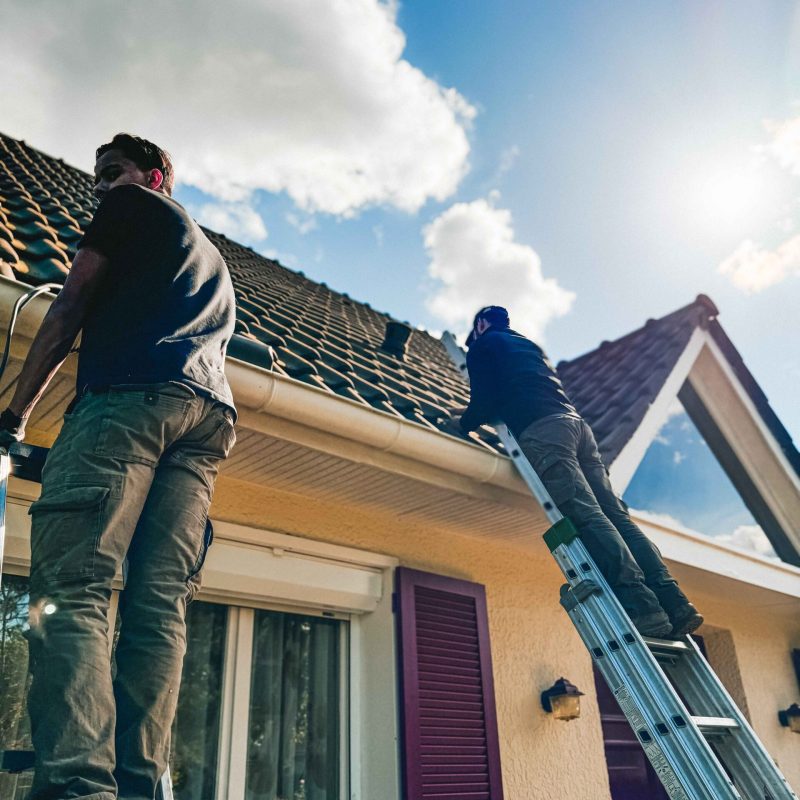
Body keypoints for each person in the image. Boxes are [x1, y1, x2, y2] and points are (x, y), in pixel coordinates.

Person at [0, 133, 237, 799]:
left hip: (130, 399)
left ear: (154, 176)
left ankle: (78, 787)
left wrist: (14, 418)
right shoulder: (208, 256)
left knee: (75, 589)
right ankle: (136, 786)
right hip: (207, 418)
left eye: (114, 171)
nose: (100, 185)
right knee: (158, 608)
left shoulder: (131, 206)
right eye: (98, 176)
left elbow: (68, 306)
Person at [451, 305, 703, 639]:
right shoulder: (526, 345)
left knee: (587, 517)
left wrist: (461, 423)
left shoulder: (484, 344)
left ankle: (642, 606)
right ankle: (673, 601)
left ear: (481, 324)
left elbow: (485, 401)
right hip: (577, 427)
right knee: (616, 516)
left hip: (543, 431)